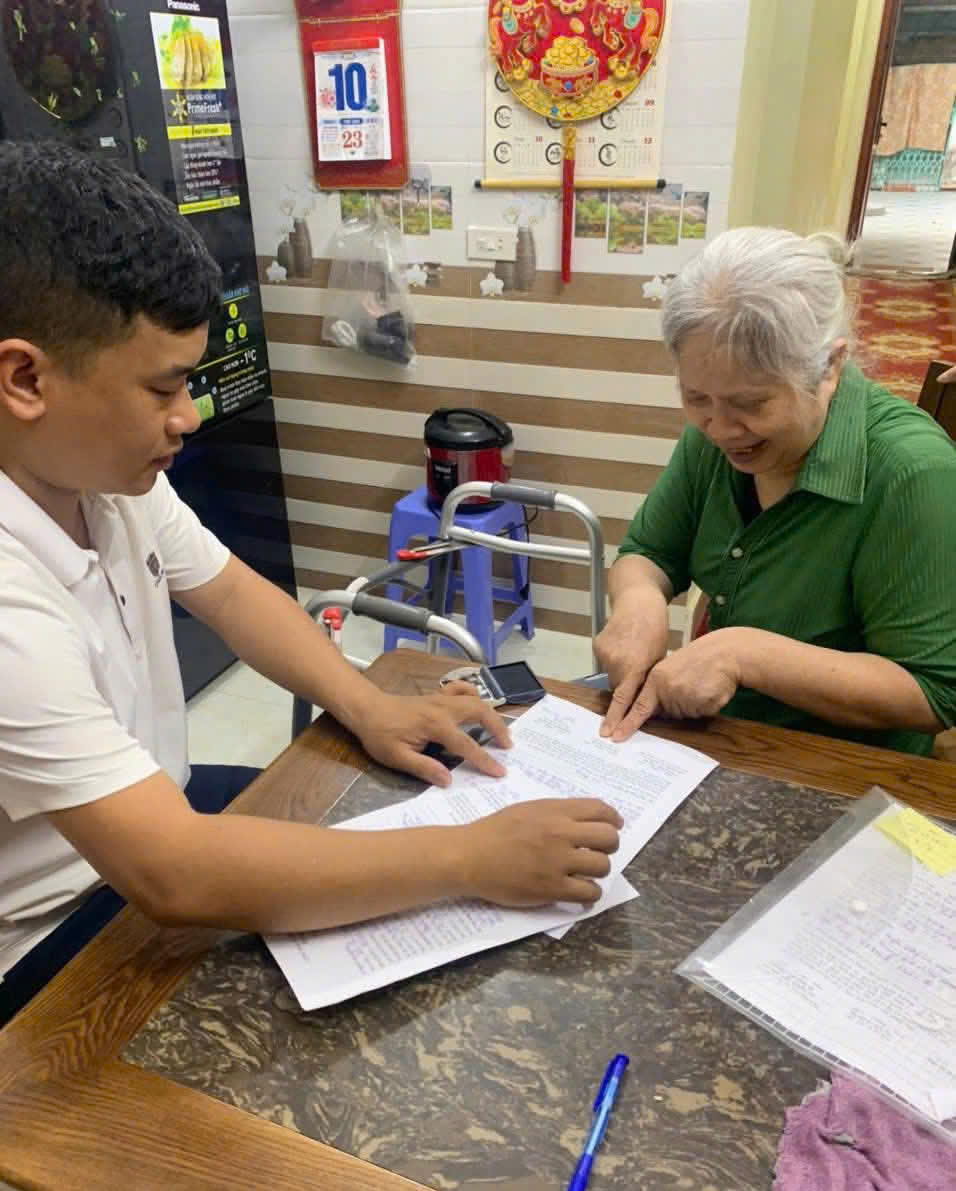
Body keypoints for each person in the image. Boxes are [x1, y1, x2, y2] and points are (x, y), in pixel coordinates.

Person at [0, 142, 620, 1025]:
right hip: (48, 932)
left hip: (149, 817)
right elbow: (173, 874)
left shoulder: (101, 474)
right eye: (163, 388)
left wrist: (367, 703)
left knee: (358, 812)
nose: (188, 416)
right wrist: (470, 859)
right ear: (27, 378)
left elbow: (232, 594)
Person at [595, 226, 956, 756]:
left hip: (840, 764)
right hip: (719, 738)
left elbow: (933, 692)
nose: (720, 428)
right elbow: (649, 551)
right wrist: (637, 604)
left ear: (829, 368)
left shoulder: (912, 472)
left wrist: (745, 655)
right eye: (696, 398)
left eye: (751, 404)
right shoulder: (713, 437)